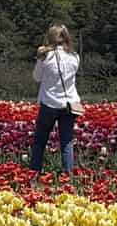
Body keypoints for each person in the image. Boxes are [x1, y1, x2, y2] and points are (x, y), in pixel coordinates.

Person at [29, 24, 81, 179]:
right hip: (70, 104)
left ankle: (34, 174)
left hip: (50, 103)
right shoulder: (74, 56)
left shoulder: (45, 57)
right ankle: (68, 176)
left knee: (40, 141)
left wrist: (40, 57)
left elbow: (37, 78)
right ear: (66, 37)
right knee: (67, 141)